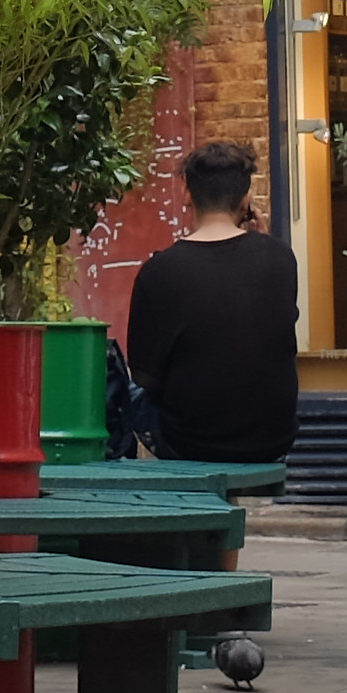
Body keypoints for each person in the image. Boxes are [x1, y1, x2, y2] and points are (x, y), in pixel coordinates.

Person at [121, 137, 299, 466]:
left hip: (187, 442)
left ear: (187, 193)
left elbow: (145, 377)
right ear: (246, 198)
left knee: (121, 384)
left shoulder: (158, 271)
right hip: (270, 440)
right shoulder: (281, 259)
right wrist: (264, 242)